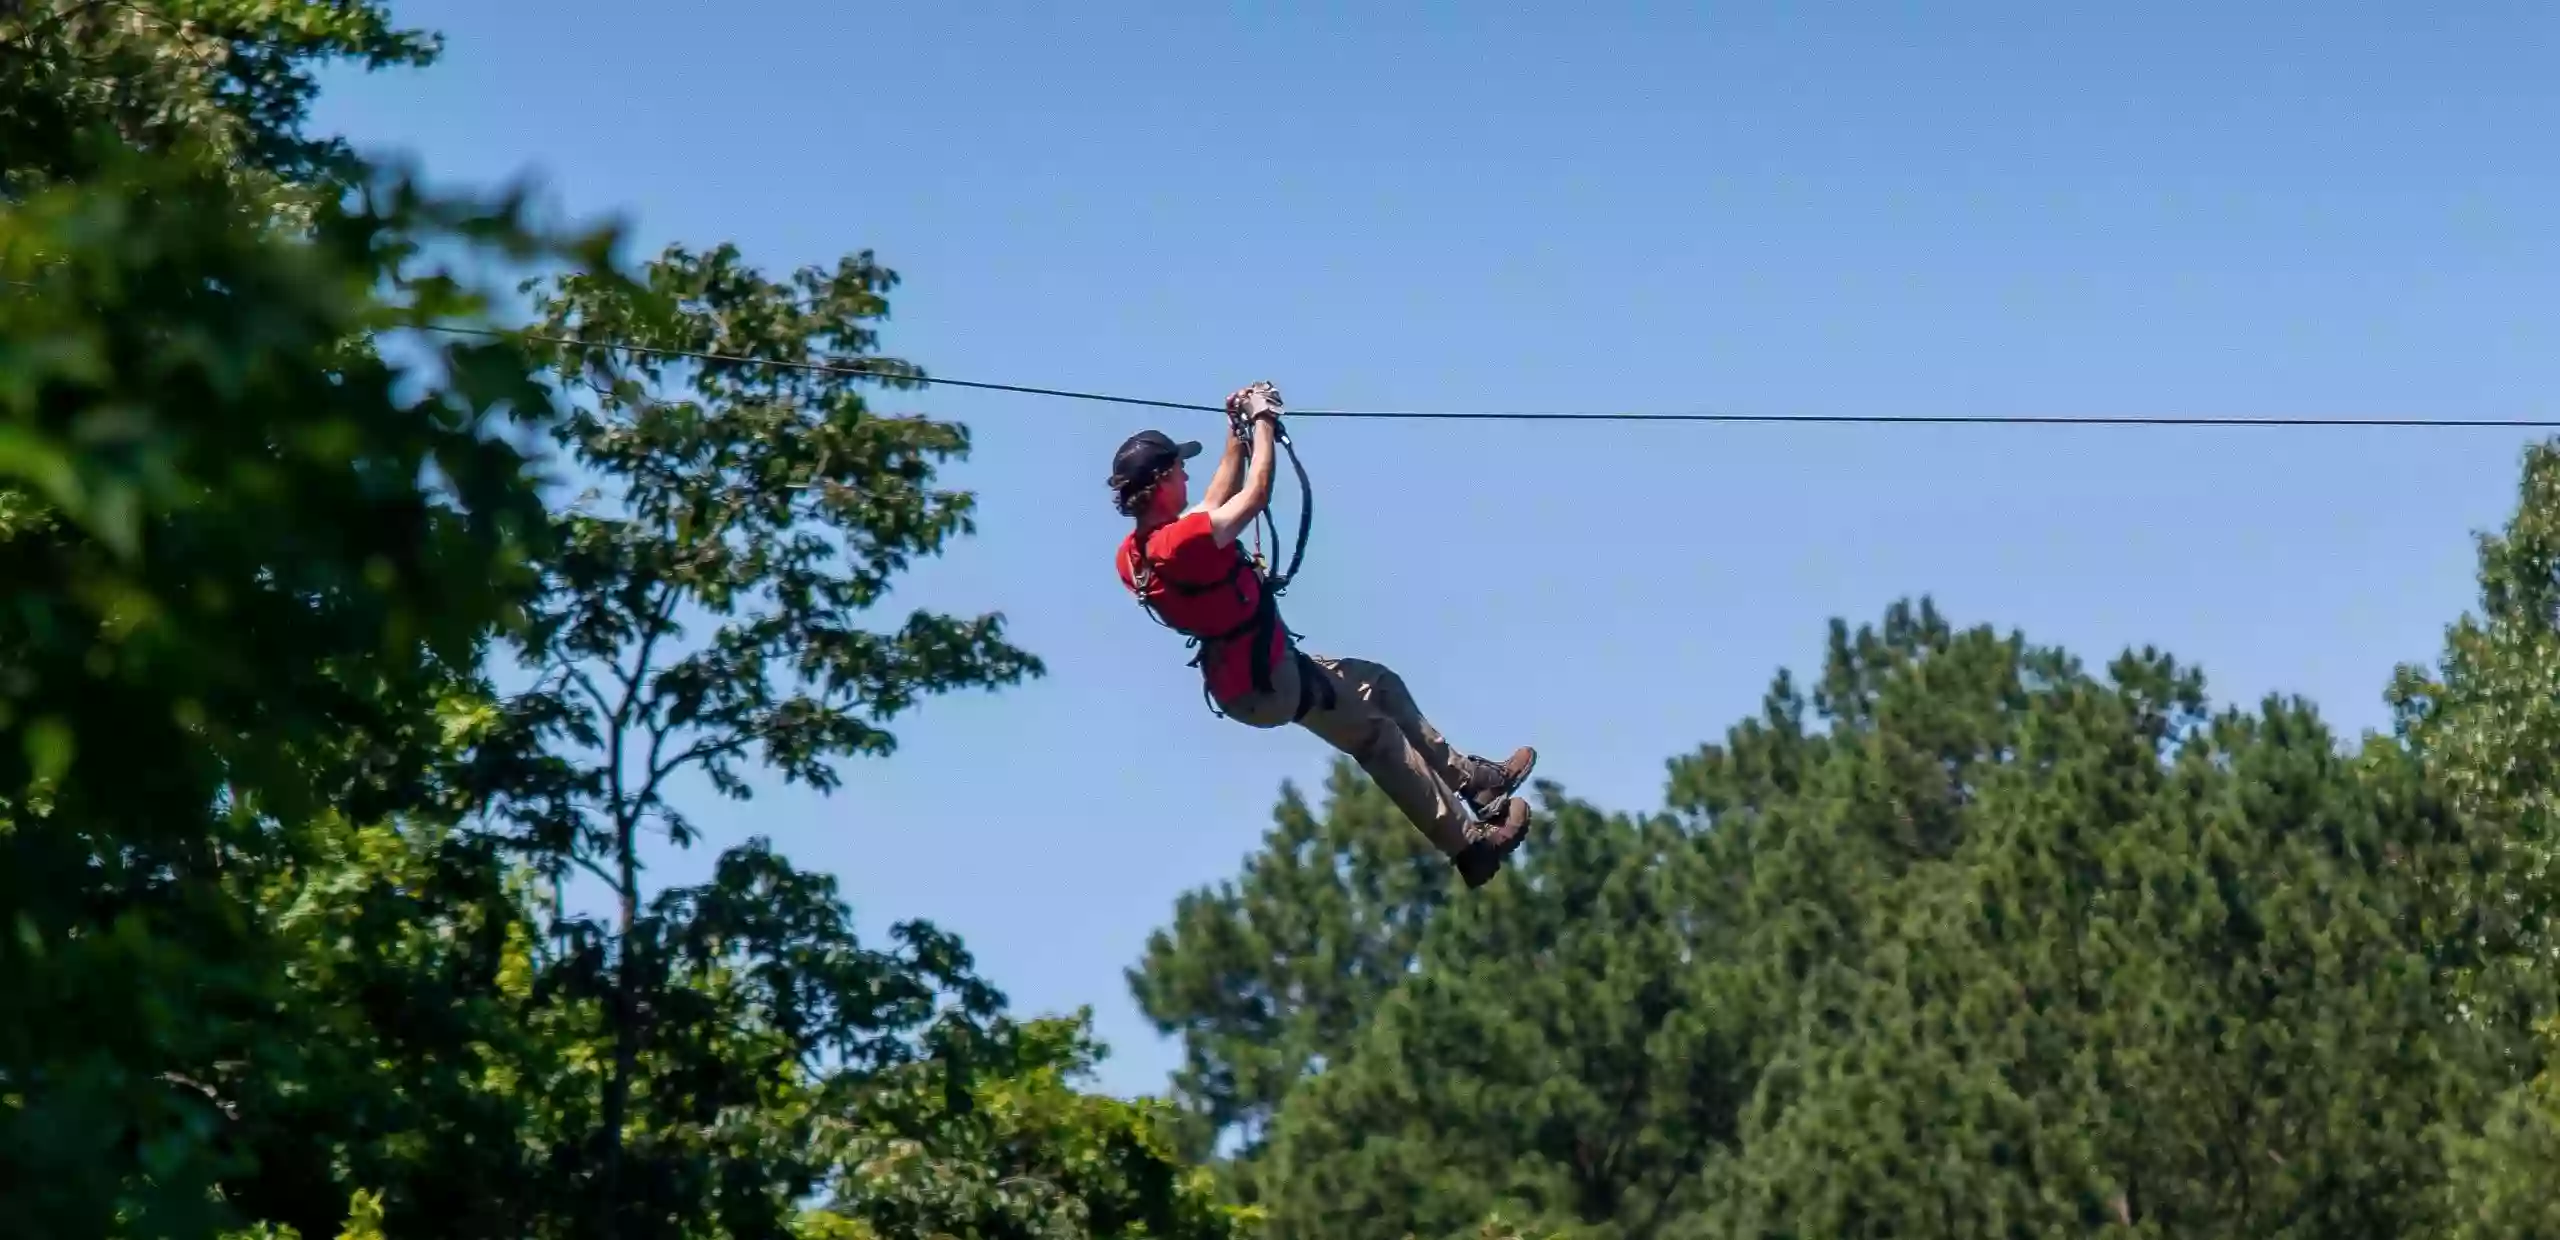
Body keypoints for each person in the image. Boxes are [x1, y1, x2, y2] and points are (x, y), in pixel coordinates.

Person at [1108, 381, 1537, 888]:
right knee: (1378, 738)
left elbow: (1215, 498)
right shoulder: (1181, 544)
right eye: (1178, 468)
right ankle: (1470, 847)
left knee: (1379, 684)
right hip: (1270, 679)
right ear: (1160, 482)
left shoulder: (1137, 553)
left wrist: (1235, 431)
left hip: (1254, 675)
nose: (1186, 472)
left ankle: (1477, 783)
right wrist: (1264, 422)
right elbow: (1254, 494)